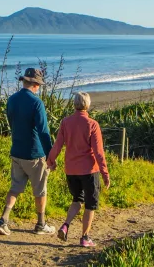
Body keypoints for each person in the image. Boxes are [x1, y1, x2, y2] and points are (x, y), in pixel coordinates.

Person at [0, 68, 56, 236]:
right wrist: (51, 155)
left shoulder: (12, 100)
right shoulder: (37, 103)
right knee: (40, 190)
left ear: (24, 81)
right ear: (35, 85)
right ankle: (41, 224)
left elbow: (11, 122)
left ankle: (3, 219)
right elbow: (43, 131)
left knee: (15, 187)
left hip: (17, 150)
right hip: (35, 153)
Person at [47, 91, 110, 248]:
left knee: (77, 199)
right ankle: (85, 237)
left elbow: (58, 145)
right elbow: (98, 152)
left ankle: (66, 225)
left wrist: (51, 160)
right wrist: (105, 173)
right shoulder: (92, 124)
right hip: (89, 171)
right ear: (87, 105)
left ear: (74, 104)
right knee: (90, 204)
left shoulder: (65, 122)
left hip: (71, 170)